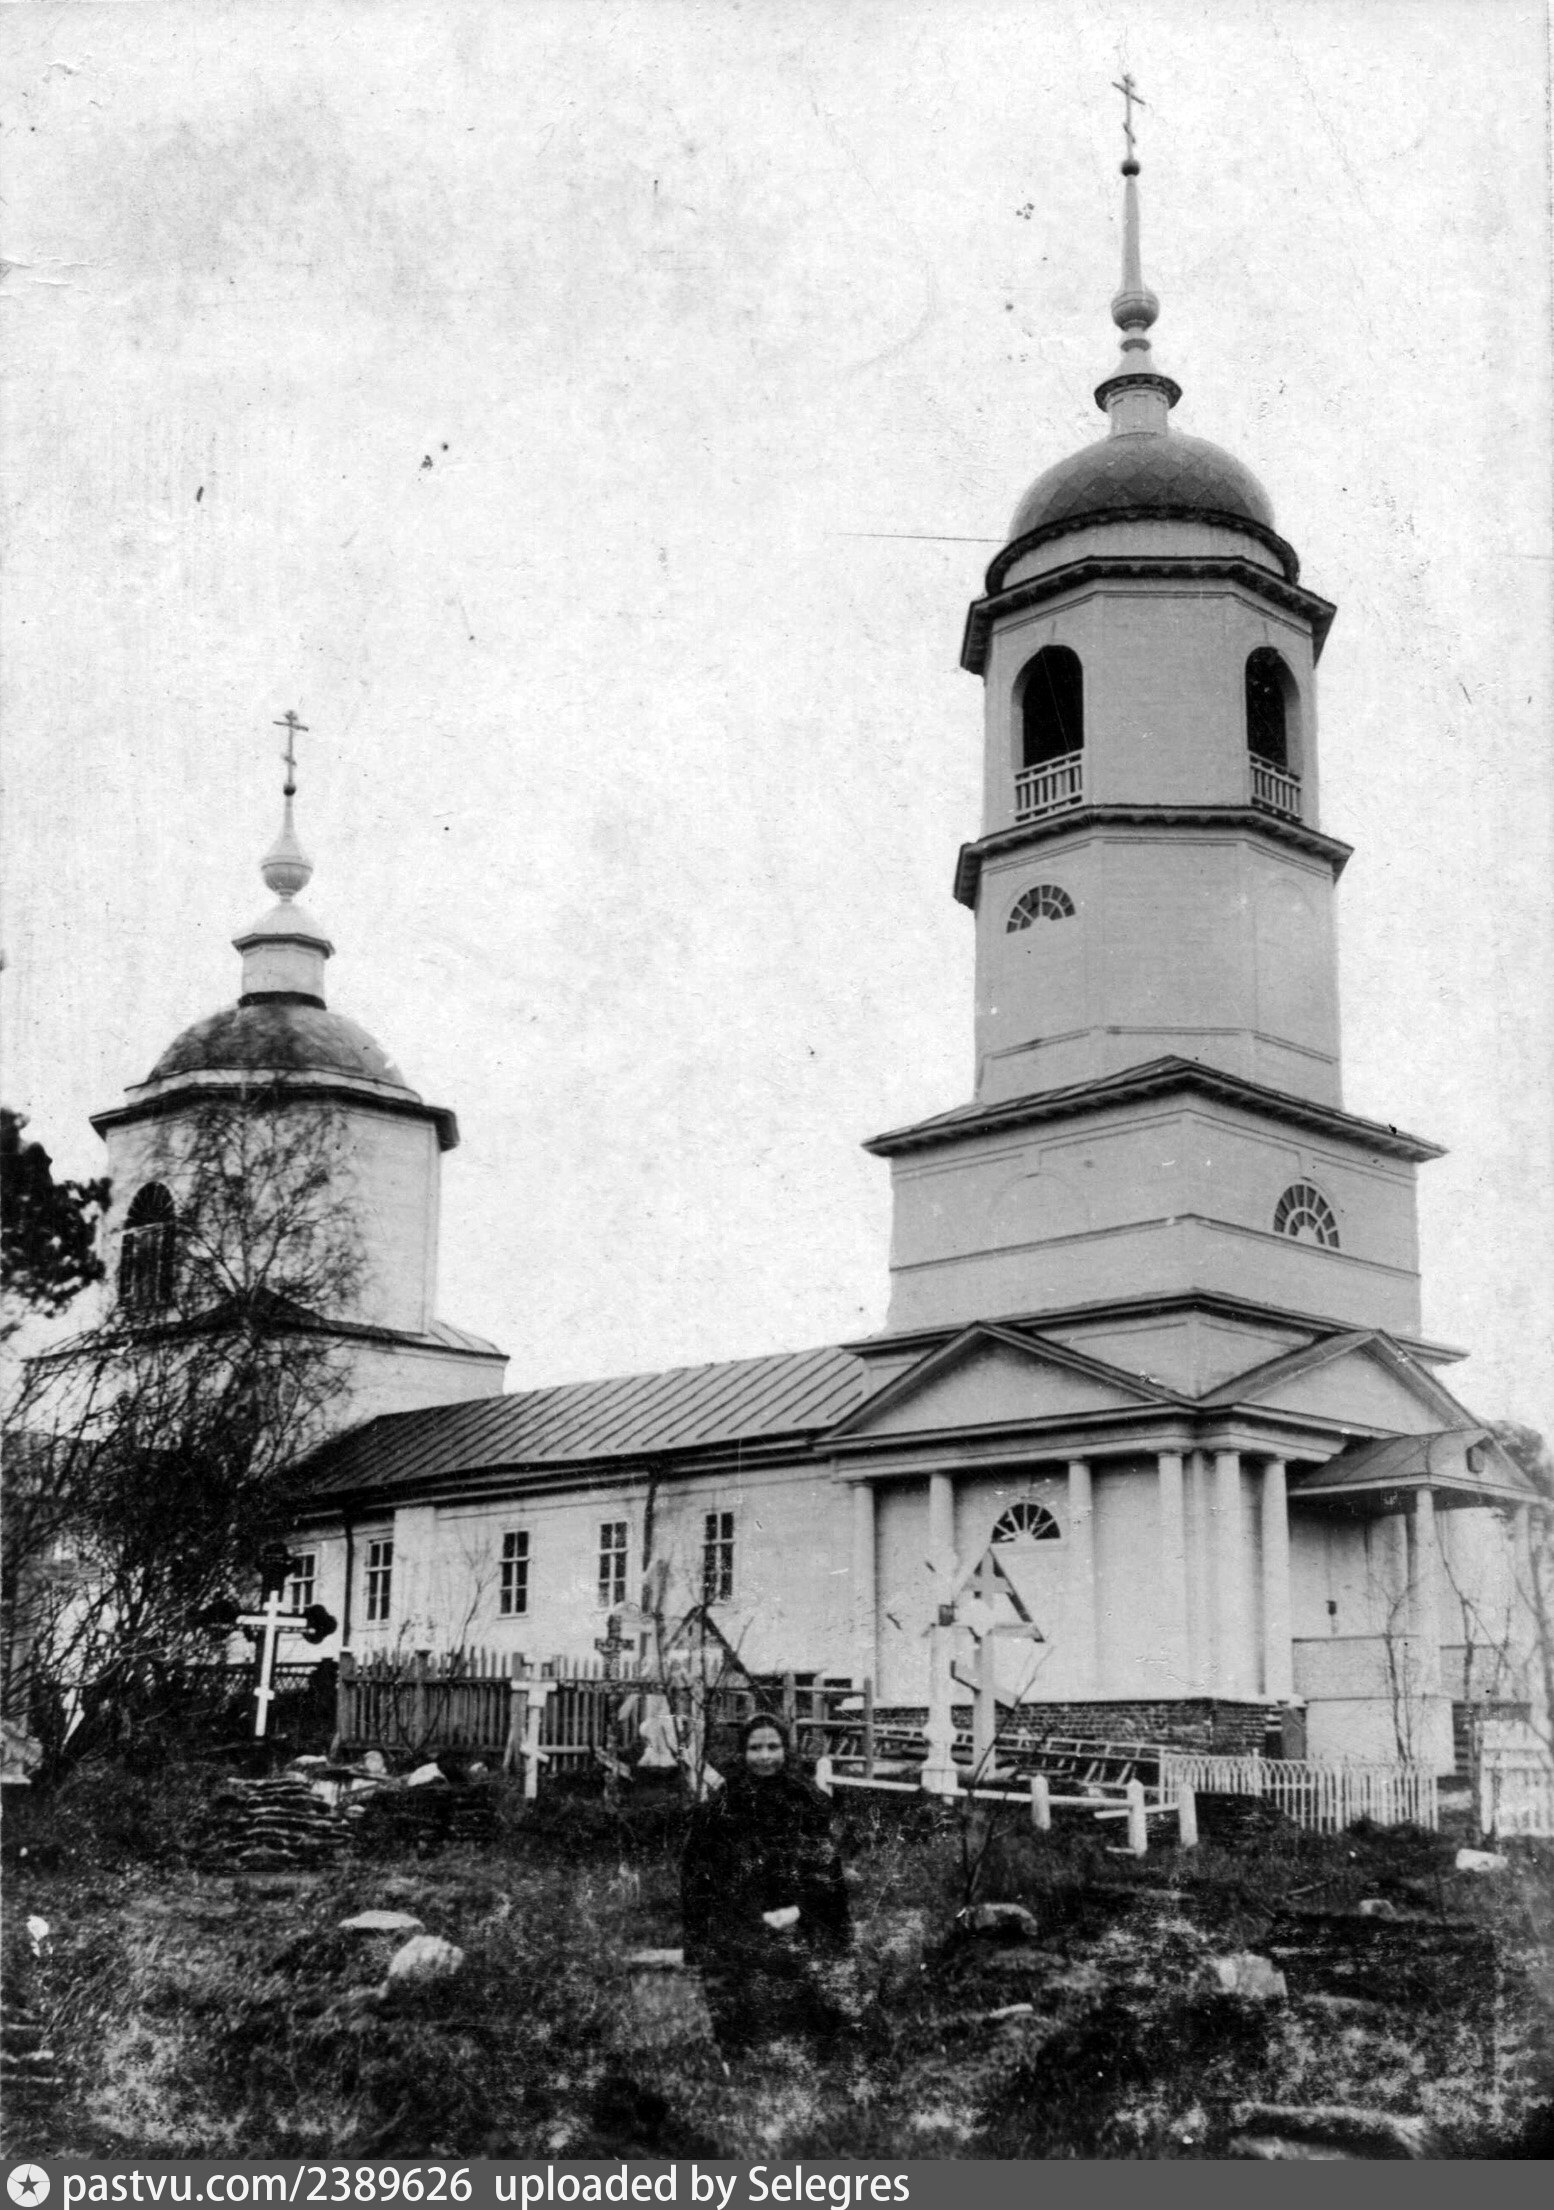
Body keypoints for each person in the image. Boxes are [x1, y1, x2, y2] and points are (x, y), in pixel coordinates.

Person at [681, 1713, 852, 2053]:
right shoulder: (722, 1807)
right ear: (742, 1752)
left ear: (786, 1750)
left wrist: (798, 1911)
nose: (764, 1756)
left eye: (773, 1747)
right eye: (755, 1748)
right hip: (741, 1917)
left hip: (799, 1915)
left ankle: (815, 2040)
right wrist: (745, 1915)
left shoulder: (808, 1803)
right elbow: (701, 1877)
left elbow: (826, 1874)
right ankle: (741, 2046)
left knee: (821, 1968)